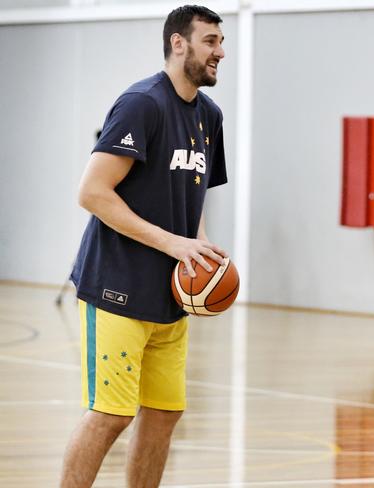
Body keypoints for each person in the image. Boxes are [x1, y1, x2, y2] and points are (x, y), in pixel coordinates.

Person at [60, 5, 228, 487]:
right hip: (116, 287)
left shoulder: (210, 117)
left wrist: (198, 248)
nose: (221, 52)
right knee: (111, 415)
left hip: (170, 297)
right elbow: (91, 192)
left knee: (163, 414)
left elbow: (189, 196)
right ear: (179, 43)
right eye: (211, 41)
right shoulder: (143, 103)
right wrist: (173, 242)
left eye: (221, 42)